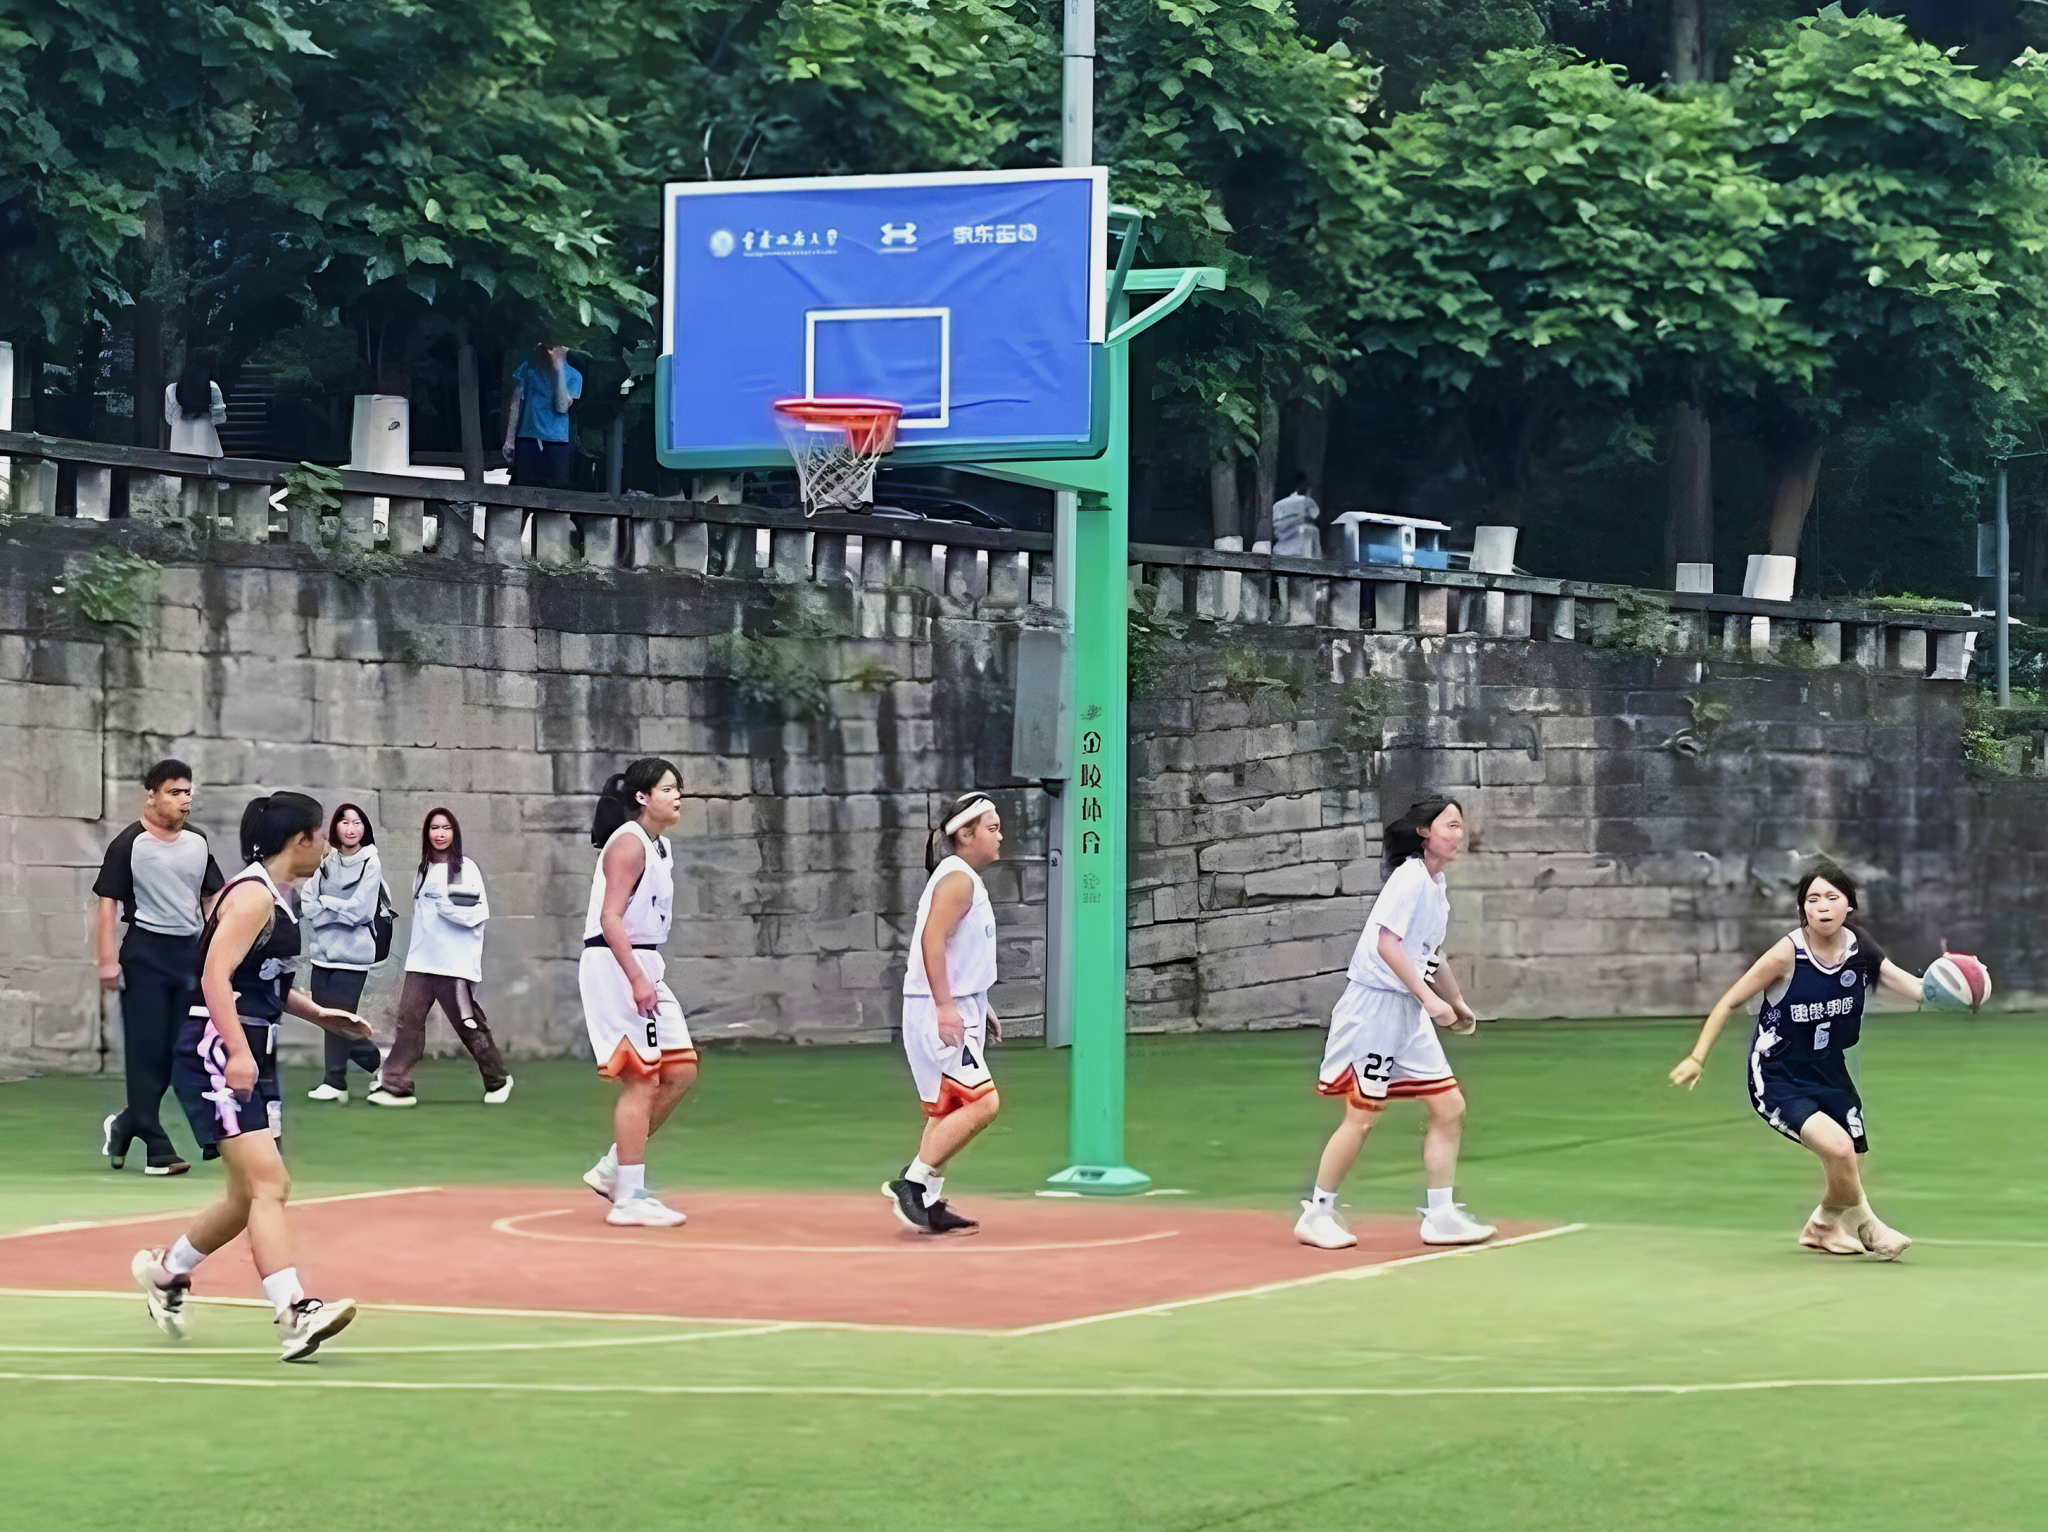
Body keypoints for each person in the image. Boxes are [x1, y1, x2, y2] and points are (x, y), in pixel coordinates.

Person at [134, 791, 369, 1360]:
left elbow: (260, 980)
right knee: (270, 1185)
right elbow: (214, 976)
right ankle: (294, 1313)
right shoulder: (252, 897)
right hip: (218, 1049)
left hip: (247, 1049)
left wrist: (320, 1014)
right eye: (321, 834)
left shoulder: (276, 897)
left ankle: (167, 1273)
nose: (327, 844)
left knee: (246, 1195)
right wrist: (237, 1053)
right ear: (301, 839)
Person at [1669, 861, 1933, 1260]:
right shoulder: (1786, 955)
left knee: (1852, 1159)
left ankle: (1822, 1227)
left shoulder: (1860, 947)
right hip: (1779, 1075)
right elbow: (1729, 1001)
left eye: (1832, 897)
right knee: (1840, 1151)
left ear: (1849, 905)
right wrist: (1696, 1057)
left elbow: (1913, 988)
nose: (1822, 907)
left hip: (1829, 1069)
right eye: (1812, 899)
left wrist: (1952, 987)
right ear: (1802, 908)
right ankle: (1868, 1225)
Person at [1295, 797, 1496, 1251]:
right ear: (1424, 832)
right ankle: (1317, 1213)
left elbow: (1428, 953)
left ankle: (1441, 1216)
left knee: (1449, 1107)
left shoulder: (1435, 884)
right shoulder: (1409, 878)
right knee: (1362, 1116)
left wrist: (1455, 1002)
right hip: (1374, 1010)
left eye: (1460, 826)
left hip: (1407, 1012)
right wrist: (1430, 1000)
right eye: (1450, 825)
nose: (1459, 834)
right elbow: (1387, 945)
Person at [578, 760, 698, 1227]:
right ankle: (629, 1197)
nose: (677, 795)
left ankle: (615, 1168)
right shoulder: (628, 842)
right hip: (616, 962)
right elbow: (610, 917)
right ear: (642, 797)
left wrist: (645, 973)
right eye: (668, 788)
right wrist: (636, 977)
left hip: (644, 961)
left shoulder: (659, 845)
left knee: (680, 1071)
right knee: (642, 1078)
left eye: (678, 788)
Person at [93, 759, 225, 1176]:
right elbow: (107, 904)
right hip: (145, 954)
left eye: (188, 791)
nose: (184, 799)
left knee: (177, 1049)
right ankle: (155, 1143)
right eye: (174, 792)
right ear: (151, 795)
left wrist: (221, 952)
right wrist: (105, 961)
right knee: (146, 1048)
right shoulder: (129, 844)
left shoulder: (198, 841)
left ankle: (127, 1123)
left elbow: (212, 898)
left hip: (189, 954)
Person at [884, 792, 1005, 1236]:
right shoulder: (957, 879)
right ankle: (914, 1182)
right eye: (992, 828)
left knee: (948, 1107)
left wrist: (978, 1003)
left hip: (952, 1003)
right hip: (937, 1008)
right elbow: (931, 941)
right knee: (982, 1103)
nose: (1000, 836)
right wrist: (945, 1007)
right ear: (966, 835)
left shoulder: (960, 876)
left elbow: (956, 951)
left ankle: (929, 1200)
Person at [368, 807, 510, 1106]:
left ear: (454, 833)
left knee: (468, 1024)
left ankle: (498, 1079)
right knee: (408, 1022)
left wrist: (444, 905)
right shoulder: (423, 870)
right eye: (435, 828)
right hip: (421, 962)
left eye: (446, 828)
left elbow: (476, 913)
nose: (440, 834)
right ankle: (394, 1084)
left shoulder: (466, 868)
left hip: (454, 966)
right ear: (427, 833)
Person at [302, 803, 388, 1102]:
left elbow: (361, 912)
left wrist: (327, 905)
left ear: (365, 828)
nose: (351, 829)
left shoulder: (370, 863)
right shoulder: (327, 861)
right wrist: (335, 910)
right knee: (328, 1017)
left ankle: (335, 1082)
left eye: (357, 822)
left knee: (338, 1018)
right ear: (335, 827)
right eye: (344, 822)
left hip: (353, 956)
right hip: (322, 953)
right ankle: (381, 1062)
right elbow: (308, 902)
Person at [502, 342, 582, 489]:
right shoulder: (527, 368)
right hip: (528, 438)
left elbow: (561, 407)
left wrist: (559, 366)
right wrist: (510, 439)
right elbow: (516, 403)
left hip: (558, 442)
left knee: (556, 490)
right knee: (522, 488)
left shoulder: (574, 376)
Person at [164, 356, 227, 458]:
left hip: (179, 448)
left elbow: (169, 420)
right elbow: (219, 420)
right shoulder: (212, 388)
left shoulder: (171, 390)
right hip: (207, 449)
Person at [1271, 472, 1322, 560]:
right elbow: (1314, 513)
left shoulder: (1277, 505)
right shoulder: (1306, 501)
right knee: (1312, 530)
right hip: (1300, 551)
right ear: (1308, 490)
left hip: (1280, 550)